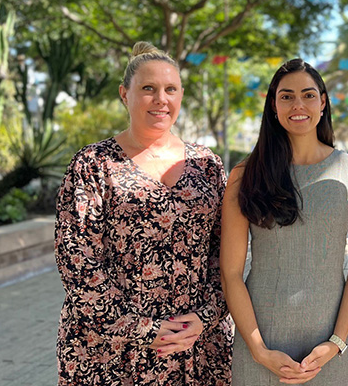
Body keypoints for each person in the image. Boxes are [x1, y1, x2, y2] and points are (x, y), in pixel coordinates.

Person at [55, 42, 232, 385]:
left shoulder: (207, 164)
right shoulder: (93, 164)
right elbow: (76, 259)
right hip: (110, 350)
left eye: (170, 89)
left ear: (181, 95)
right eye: (148, 89)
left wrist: (205, 317)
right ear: (125, 94)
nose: (160, 99)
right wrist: (141, 328)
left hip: (196, 346)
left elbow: (226, 252)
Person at [221, 58, 348, 385]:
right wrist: (259, 350)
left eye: (308, 94)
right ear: (273, 106)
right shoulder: (245, 175)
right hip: (259, 343)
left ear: (323, 102)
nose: (298, 104)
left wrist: (337, 341)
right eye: (286, 96)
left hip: (329, 346)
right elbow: (231, 272)